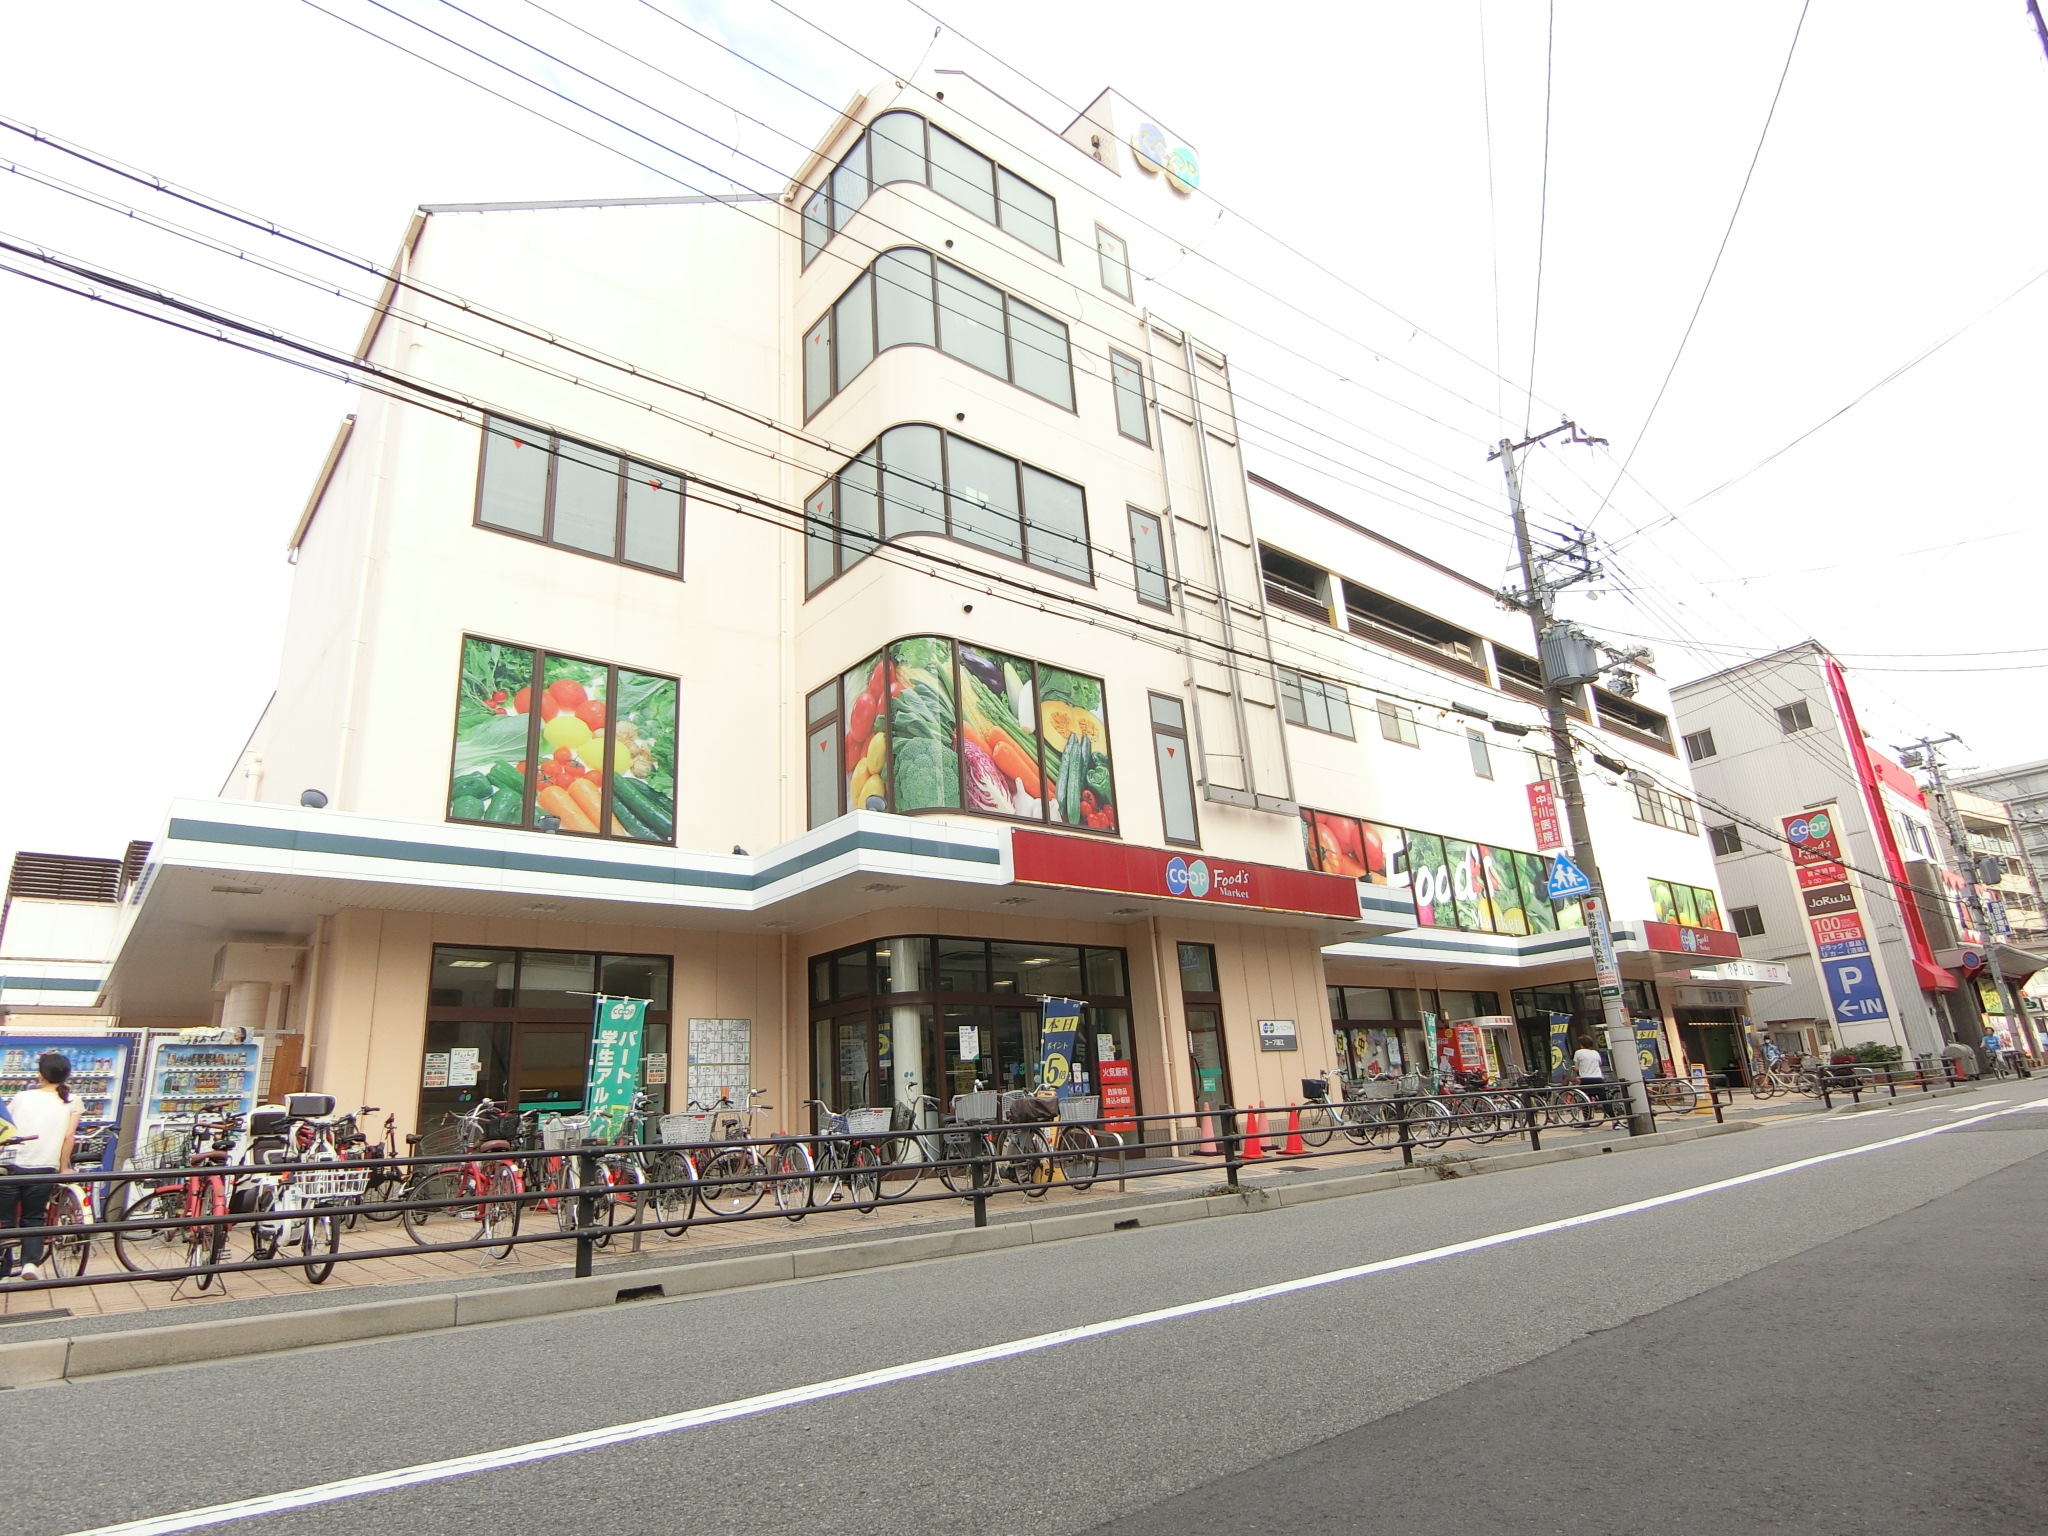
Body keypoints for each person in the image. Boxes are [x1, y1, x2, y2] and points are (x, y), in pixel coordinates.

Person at [1, 1053, 82, 1283]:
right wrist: (64, 1167)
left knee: (4, 1221)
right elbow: (69, 1137)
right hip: (45, 1166)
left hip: (10, 1164)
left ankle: (3, 1273)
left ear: (40, 1075)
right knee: (34, 1217)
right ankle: (30, 1263)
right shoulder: (72, 1100)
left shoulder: (22, 1097)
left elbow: (6, 1128)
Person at [1573, 1034, 1611, 1125]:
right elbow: (1599, 1064)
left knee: (1585, 1099)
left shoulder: (1578, 1052)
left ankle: (1587, 1121)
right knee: (1604, 1100)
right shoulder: (1595, 1053)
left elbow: (1577, 1068)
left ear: (1581, 1044)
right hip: (1598, 1078)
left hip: (1586, 1079)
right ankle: (1614, 1120)